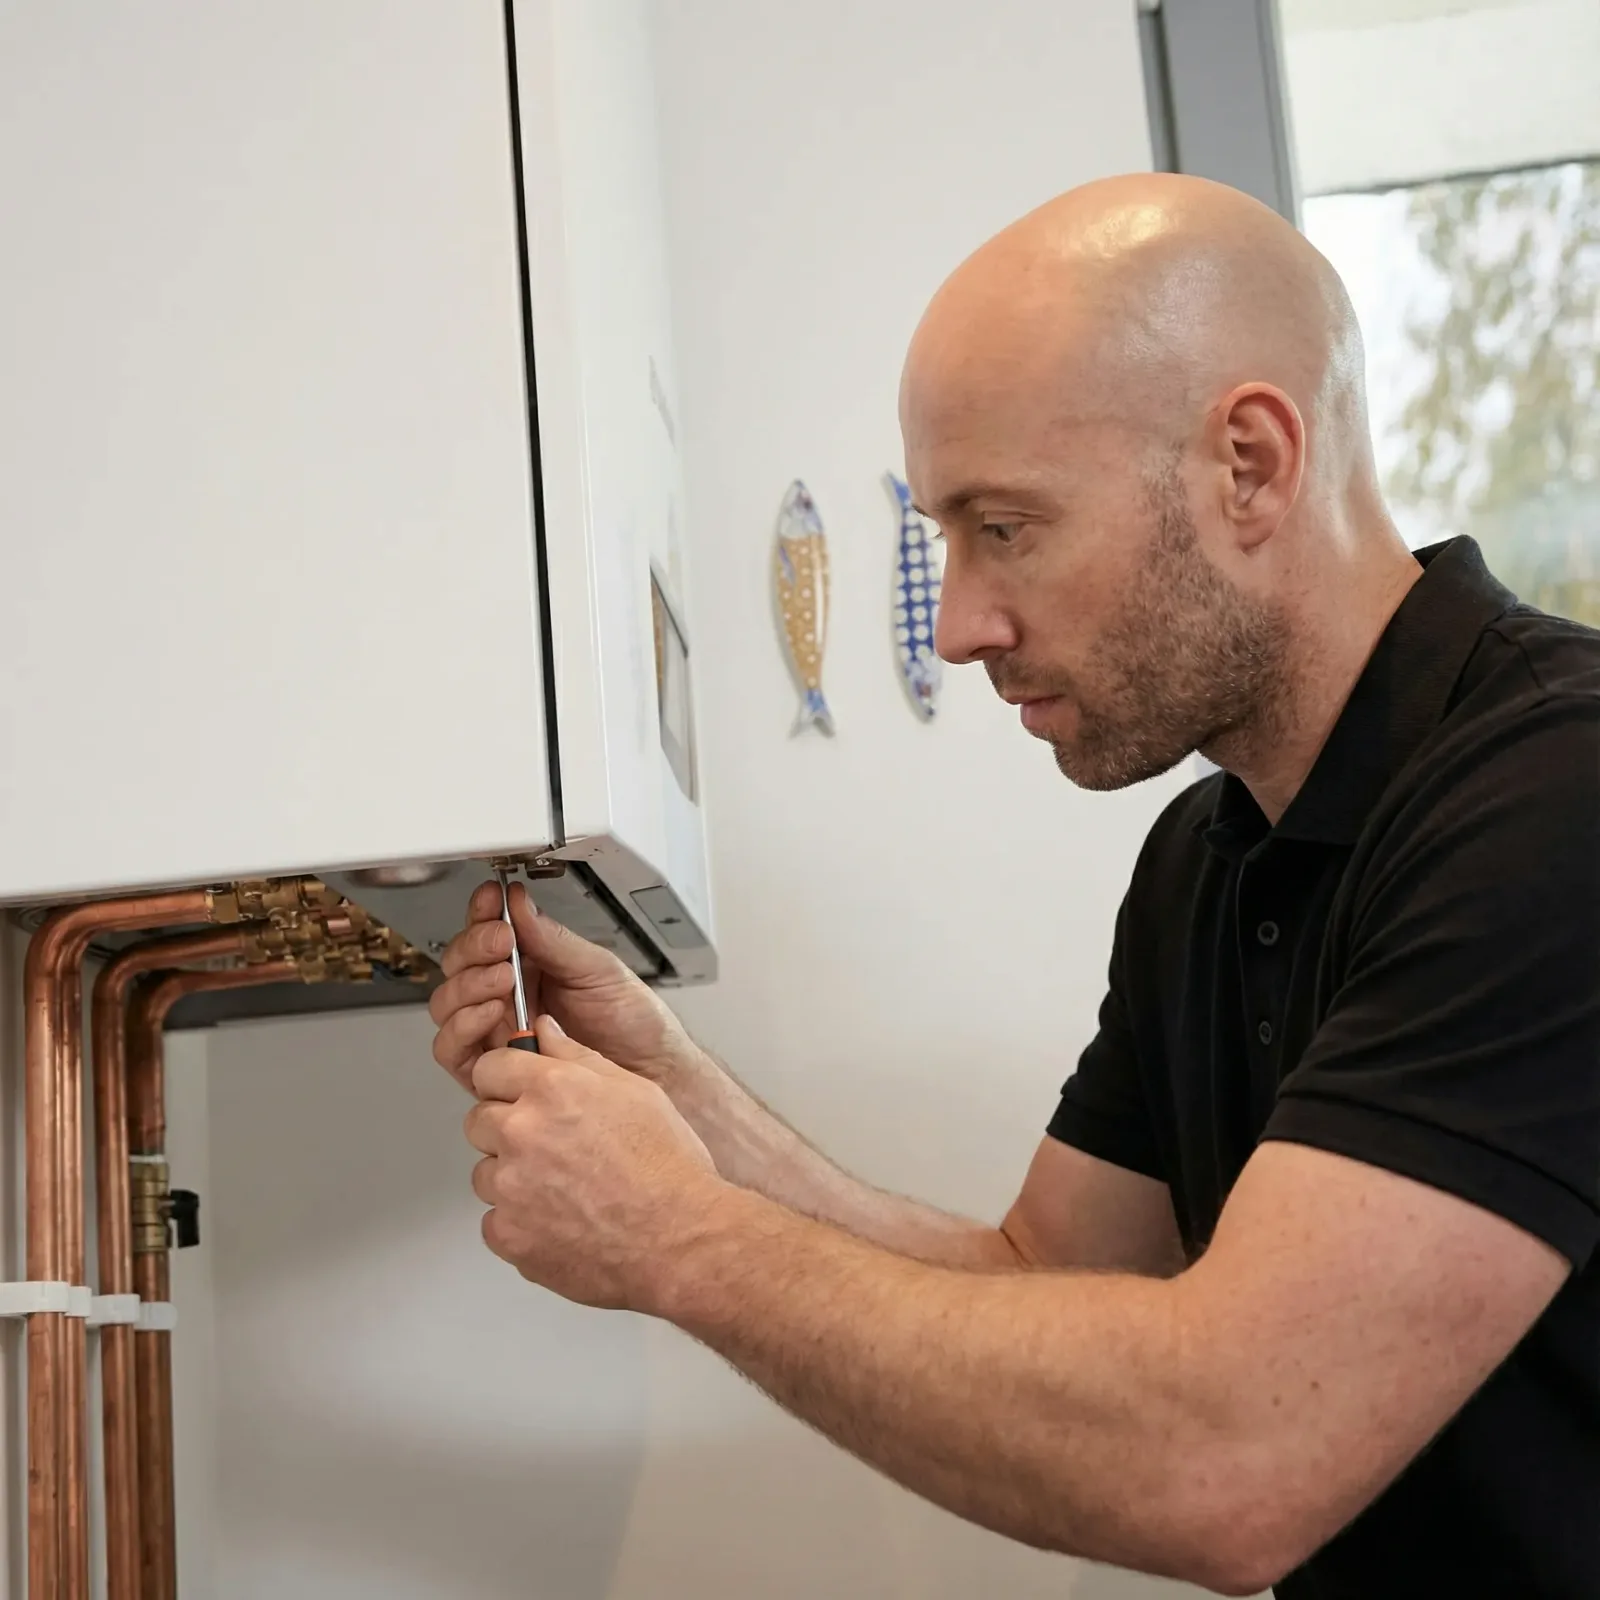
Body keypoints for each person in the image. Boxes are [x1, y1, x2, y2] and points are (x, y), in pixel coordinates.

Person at [428, 174, 1599, 1598]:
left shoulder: (1552, 798)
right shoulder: (1204, 861)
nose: (968, 621)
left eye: (1006, 527)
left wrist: (675, 1236)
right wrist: (684, 1099)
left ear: (1249, 463)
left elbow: (1228, 1457)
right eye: (943, 537)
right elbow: (1049, 1282)